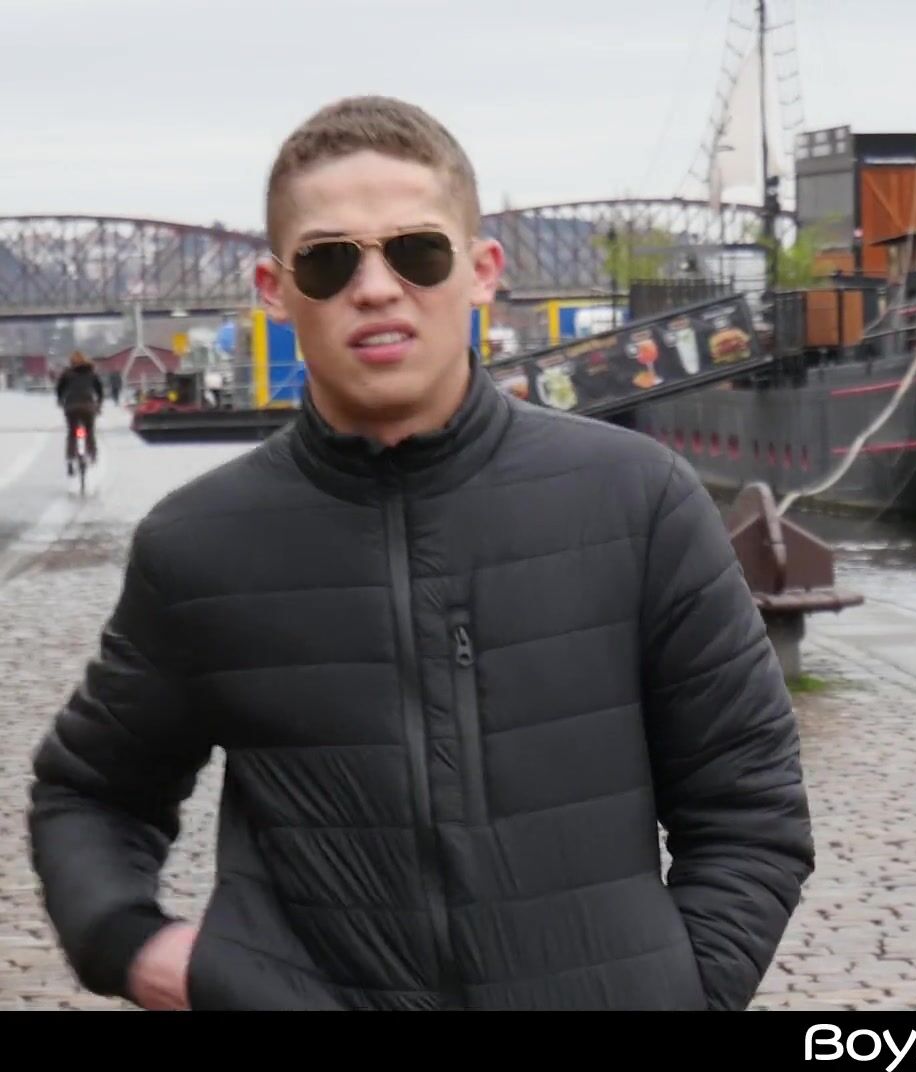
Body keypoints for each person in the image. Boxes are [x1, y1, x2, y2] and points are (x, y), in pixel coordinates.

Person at [28, 96, 814, 1011]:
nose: (376, 287)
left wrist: (684, 993)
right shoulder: (198, 543)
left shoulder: (638, 501)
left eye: (417, 251)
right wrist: (136, 946)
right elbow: (89, 792)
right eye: (329, 260)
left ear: (481, 272)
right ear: (274, 290)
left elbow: (749, 808)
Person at [54, 351, 104, 473]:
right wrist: (98, 404)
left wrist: (60, 401)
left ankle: (70, 458)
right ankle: (92, 454)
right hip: (88, 406)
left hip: (71, 407)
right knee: (89, 431)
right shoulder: (91, 373)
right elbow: (99, 391)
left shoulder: (67, 374)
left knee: (72, 433)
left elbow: (59, 390)